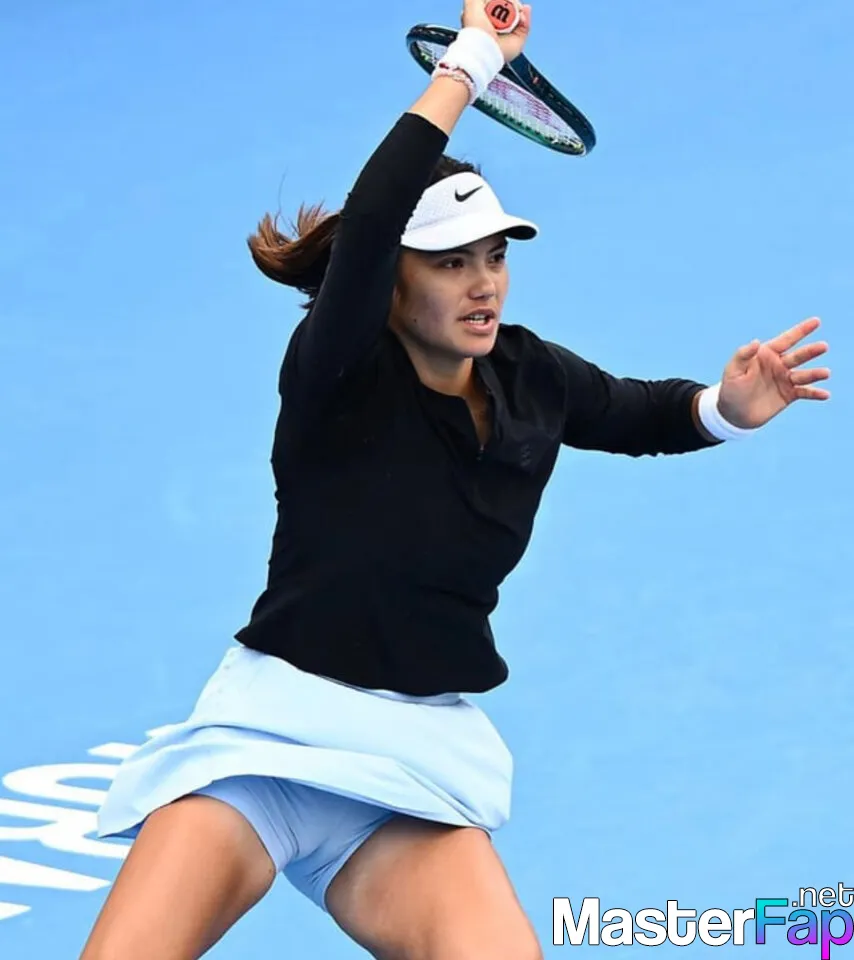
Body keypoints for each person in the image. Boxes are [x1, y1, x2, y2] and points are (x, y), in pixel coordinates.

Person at [78, 2, 831, 958]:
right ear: (390, 281)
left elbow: (639, 413)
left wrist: (725, 408)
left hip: (410, 775)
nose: (484, 283)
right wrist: (472, 62)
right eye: (448, 262)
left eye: (495, 255)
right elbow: (373, 217)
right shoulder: (337, 377)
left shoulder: (532, 376)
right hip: (261, 754)